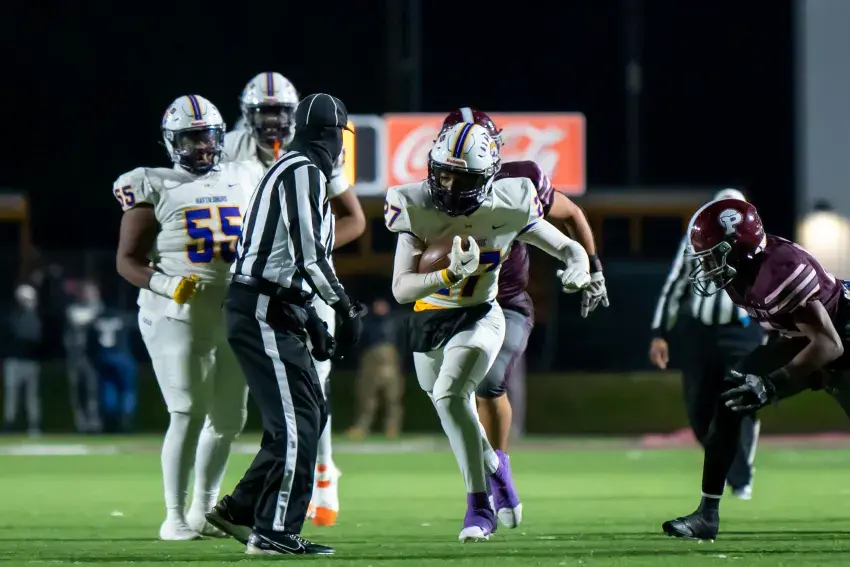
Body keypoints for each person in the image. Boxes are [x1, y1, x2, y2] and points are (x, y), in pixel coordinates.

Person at [384, 122, 592, 541]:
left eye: (463, 178)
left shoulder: (510, 203)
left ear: (489, 177)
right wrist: (446, 275)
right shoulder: (413, 203)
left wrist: (579, 265)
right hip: (428, 317)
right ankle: (497, 469)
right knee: (450, 407)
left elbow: (564, 245)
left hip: (481, 314)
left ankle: (479, 508)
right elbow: (402, 289)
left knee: (451, 394)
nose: (449, 186)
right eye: (444, 174)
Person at [206, 93, 363, 556]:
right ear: (331, 135)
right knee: (298, 423)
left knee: (306, 414)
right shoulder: (302, 171)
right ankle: (274, 530)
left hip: (274, 304)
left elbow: (284, 257)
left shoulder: (293, 168)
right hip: (263, 306)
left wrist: (310, 315)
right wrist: (344, 306)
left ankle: (241, 509)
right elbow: (308, 254)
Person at [114, 94, 264, 540]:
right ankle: (174, 516)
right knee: (187, 412)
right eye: (190, 139)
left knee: (230, 419)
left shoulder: (244, 175)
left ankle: (203, 510)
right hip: (176, 315)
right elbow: (127, 260)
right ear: (171, 142)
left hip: (232, 313)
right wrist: (164, 284)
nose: (201, 147)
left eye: (208, 137)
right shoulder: (153, 183)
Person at [662, 198, 850, 540]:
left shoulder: (779, 271)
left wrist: (772, 383)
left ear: (738, 248)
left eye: (712, 255)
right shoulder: (742, 274)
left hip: (842, 338)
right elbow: (786, 327)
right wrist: (762, 374)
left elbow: (829, 344)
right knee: (732, 394)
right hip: (803, 338)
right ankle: (706, 515)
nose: (706, 264)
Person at [439, 108, 607, 453]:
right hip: (455, 305)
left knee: (489, 383)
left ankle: (497, 467)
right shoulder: (427, 195)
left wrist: (592, 267)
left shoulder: (518, 185)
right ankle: (483, 465)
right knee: (454, 392)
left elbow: (571, 214)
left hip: (505, 302)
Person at [650, 188, 762, 499]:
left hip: (742, 333)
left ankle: (740, 476)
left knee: (742, 401)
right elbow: (675, 285)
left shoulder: (757, 241)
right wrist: (659, 332)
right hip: (702, 333)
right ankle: (725, 464)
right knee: (698, 407)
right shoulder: (696, 237)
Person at [347, 297, 404, 439]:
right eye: (377, 304)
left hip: (390, 364)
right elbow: (358, 342)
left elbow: (403, 342)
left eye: (382, 304)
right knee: (367, 396)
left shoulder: (395, 321)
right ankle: (362, 427)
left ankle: (392, 427)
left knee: (393, 397)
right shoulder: (368, 323)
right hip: (370, 363)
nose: (380, 307)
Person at [87, 298, 138, 433]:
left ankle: (112, 421)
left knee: (108, 390)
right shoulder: (123, 317)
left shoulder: (97, 319)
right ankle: (126, 420)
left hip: (105, 356)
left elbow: (90, 343)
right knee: (127, 390)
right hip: (122, 355)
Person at [2, 284, 42, 435]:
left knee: (32, 396)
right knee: (11, 394)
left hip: (31, 361)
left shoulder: (35, 316)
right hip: (13, 360)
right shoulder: (12, 316)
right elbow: (17, 333)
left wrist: (31, 312)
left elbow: (36, 335)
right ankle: (9, 423)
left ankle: (34, 424)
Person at [65, 280, 103, 433]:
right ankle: (81, 424)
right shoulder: (74, 309)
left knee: (92, 391)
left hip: (91, 358)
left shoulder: (98, 309)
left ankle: (94, 423)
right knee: (76, 392)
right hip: (75, 358)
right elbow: (81, 320)